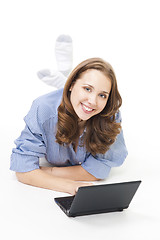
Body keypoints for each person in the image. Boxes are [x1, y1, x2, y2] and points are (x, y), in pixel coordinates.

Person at [10, 57, 128, 195]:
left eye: (102, 95)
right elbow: (23, 169)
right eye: (87, 89)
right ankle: (64, 75)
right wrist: (71, 187)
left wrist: (47, 172)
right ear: (71, 84)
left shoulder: (109, 114)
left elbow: (99, 170)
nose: (93, 101)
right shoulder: (43, 109)